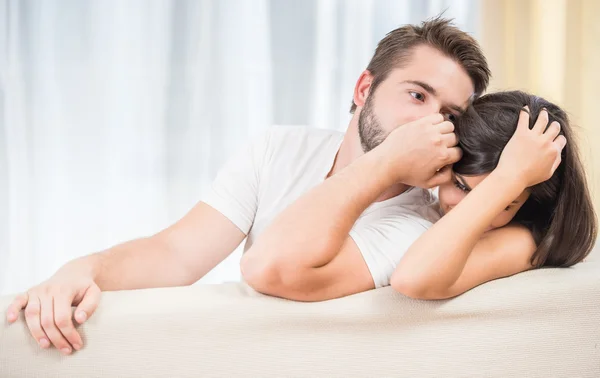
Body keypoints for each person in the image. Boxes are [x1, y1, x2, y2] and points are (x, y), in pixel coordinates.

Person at [5, 17, 490, 354]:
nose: (431, 123)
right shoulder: (277, 149)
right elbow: (174, 254)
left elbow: (273, 269)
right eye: (417, 95)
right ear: (364, 89)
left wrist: (385, 162)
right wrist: (82, 268)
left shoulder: (421, 223)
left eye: (449, 115)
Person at [390, 91, 597, 299]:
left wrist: (511, 177)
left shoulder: (525, 240)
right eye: (461, 186)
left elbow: (411, 279)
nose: (464, 206)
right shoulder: (414, 199)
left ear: (530, 203)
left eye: (504, 202)